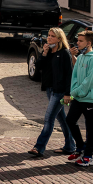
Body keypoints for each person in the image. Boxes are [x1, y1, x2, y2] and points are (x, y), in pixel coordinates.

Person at [28, 27, 74, 158]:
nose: (49, 38)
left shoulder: (65, 53)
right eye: (48, 35)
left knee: (49, 118)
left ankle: (39, 147)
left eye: (52, 36)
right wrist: (43, 53)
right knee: (62, 118)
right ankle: (70, 146)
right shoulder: (48, 52)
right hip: (49, 89)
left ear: (59, 39)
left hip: (59, 92)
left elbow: (68, 75)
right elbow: (38, 67)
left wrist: (67, 93)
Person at [64, 30, 93, 167]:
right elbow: (74, 76)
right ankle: (80, 147)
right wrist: (73, 92)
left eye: (80, 41)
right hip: (78, 97)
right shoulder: (80, 57)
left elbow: (90, 81)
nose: (77, 43)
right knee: (70, 120)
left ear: (88, 42)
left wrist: (76, 92)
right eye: (77, 40)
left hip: (90, 98)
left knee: (90, 127)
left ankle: (88, 157)